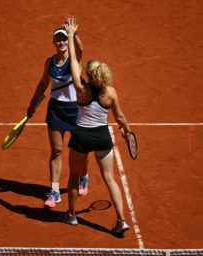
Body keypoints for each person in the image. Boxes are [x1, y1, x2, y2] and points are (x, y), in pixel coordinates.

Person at [59, 16, 131, 235]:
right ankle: (121, 220)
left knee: (73, 177)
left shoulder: (82, 90)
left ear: (88, 75)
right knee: (110, 179)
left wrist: (71, 35)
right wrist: (126, 131)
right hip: (102, 138)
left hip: (81, 137)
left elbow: (72, 61)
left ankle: (71, 215)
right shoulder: (110, 93)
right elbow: (119, 117)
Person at [27, 19, 88, 208]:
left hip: (75, 110)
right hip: (55, 109)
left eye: (64, 39)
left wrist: (73, 35)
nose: (61, 42)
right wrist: (33, 104)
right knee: (57, 150)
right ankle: (54, 191)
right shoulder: (49, 62)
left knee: (80, 150)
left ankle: (84, 176)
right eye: (58, 39)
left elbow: (80, 50)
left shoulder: (73, 61)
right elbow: (43, 84)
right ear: (54, 42)